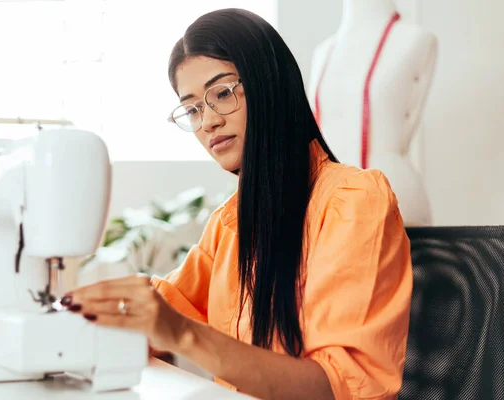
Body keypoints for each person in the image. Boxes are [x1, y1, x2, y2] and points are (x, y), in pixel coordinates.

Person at [62, 8, 413, 400]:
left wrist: (182, 334)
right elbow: (167, 308)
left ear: (269, 84)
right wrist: (85, 317)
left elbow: (336, 387)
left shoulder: (353, 201)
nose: (207, 121)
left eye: (222, 93)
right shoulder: (231, 222)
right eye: (193, 108)